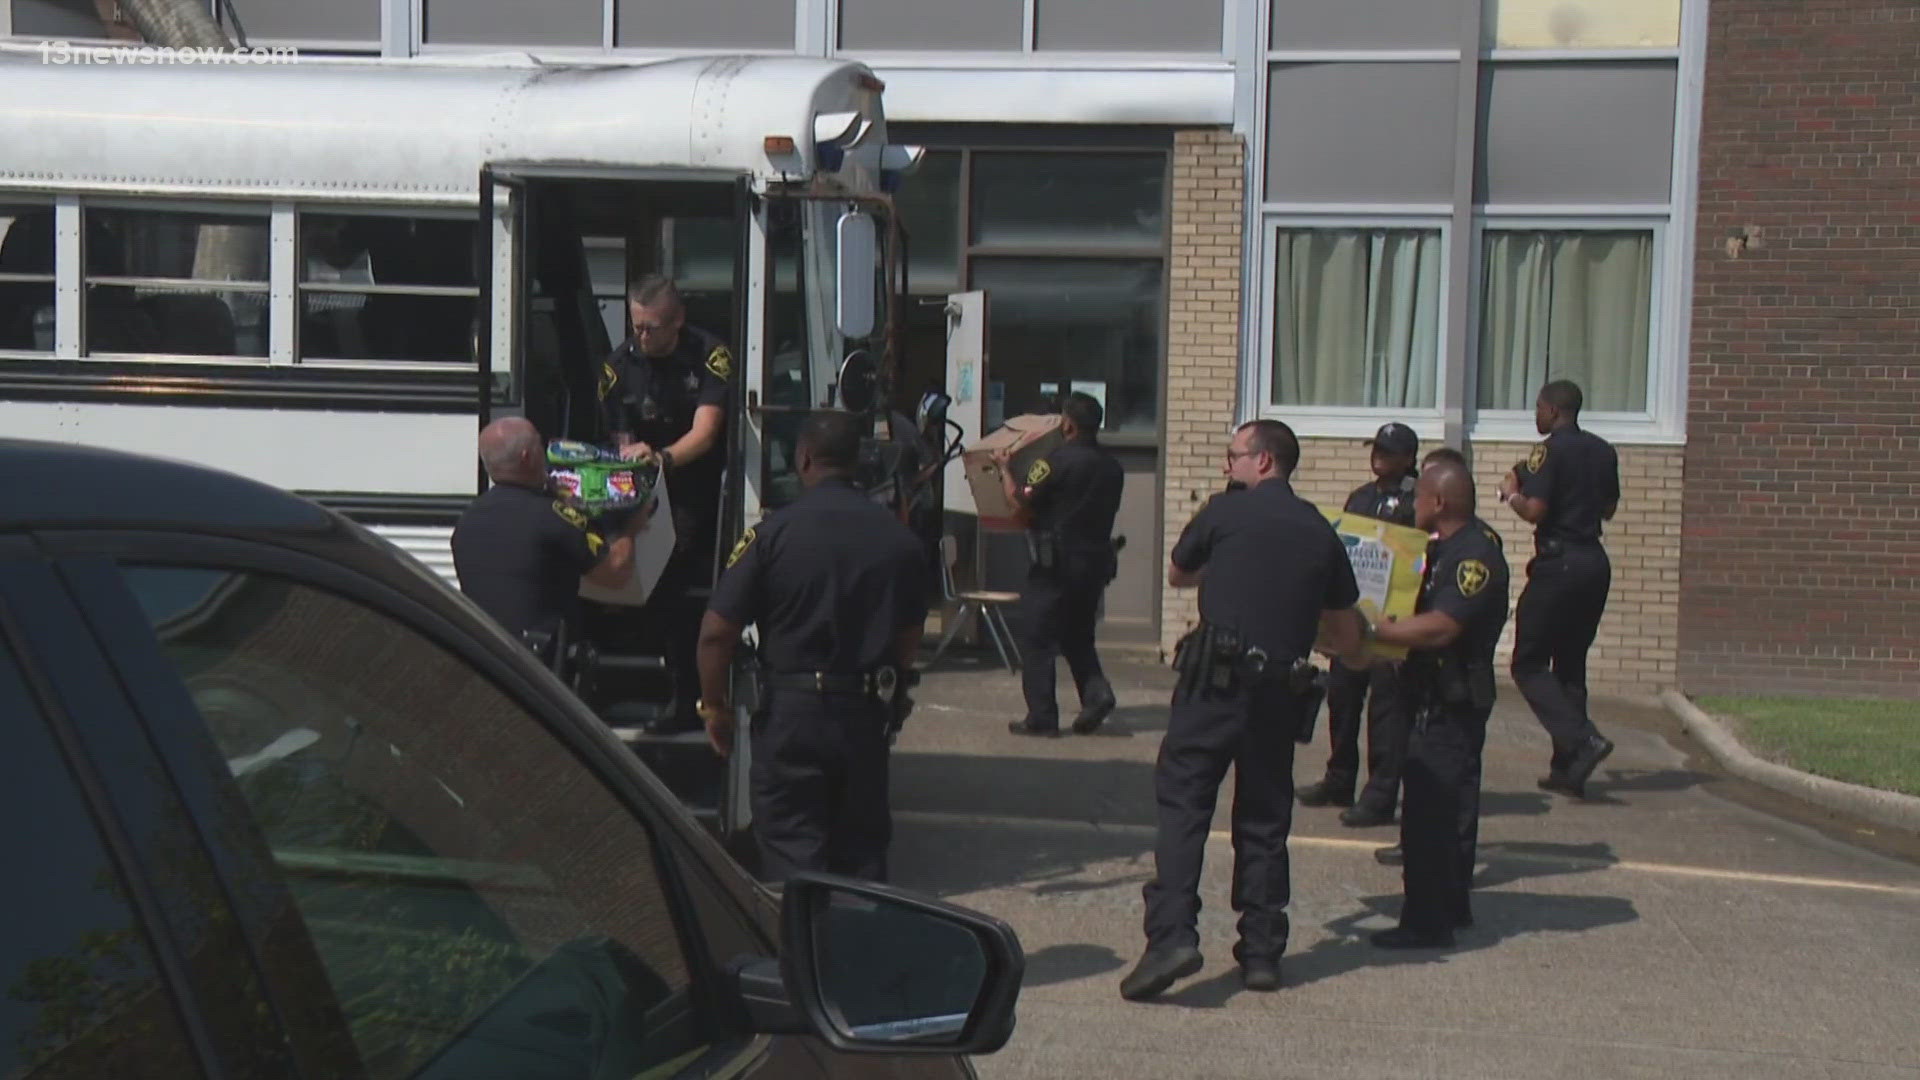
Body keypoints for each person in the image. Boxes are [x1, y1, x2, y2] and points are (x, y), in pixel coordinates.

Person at [1121, 420, 1369, 1001]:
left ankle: (1171, 939)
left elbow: (1180, 573)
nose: (1226, 466)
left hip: (1214, 684)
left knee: (1184, 806)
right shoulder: (1318, 529)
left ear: (1262, 461)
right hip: (1280, 689)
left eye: (1233, 456)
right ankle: (1261, 953)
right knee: (1263, 818)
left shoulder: (1224, 513)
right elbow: (1344, 631)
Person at [695, 411, 929, 884]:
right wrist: (896, 692)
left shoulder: (771, 535)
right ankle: (854, 947)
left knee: (791, 852)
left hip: (791, 715)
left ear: (804, 459)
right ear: (857, 462)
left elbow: (716, 634)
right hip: (865, 711)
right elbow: (909, 633)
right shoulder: (900, 540)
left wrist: (714, 708)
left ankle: (803, 953)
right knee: (861, 851)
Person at [1367, 458, 1510, 948]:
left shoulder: (1474, 557)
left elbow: (1444, 626)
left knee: (1433, 813)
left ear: (1440, 502)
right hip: (1427, 695)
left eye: (1420, 497)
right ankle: (1448, 908)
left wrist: (1376, 632)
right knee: (1436, 809)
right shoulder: (1438, 550)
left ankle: (1427, 923)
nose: (1413, 505)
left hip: (1450, 701)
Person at [599, 274, 733, 734]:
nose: (641, 336)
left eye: (651, 327)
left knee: (680, 587)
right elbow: (621, 439)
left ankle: (690, 695)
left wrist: (661, 458)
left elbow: (707, 432)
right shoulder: (618, 368)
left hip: (692, 484)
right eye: (635, 326)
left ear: (677, 321)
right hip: (639, 488)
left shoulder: (709, 356)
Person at [1498, 380, 1621, 799]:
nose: (1536, 415)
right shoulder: (1603, 450)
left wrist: (1512, 496)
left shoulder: (1549, 449)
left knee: (1528, 663)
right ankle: (1569, 768)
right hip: (1594, 563)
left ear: (1552, 410)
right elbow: (1608, 507)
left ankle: (1583, 739)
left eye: (1537, 408)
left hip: (1559, 563)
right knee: (1570, 664)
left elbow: (1534, 511)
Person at [1298, 422, 1420, 828]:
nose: (1378, 456)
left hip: (1392, 625)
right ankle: (1339, 779)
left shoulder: (1419, 500)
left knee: (1386, 712)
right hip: (1355, 618)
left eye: (1387, 451)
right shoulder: (1362, 497)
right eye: (1376, 449)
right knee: (1343, 700)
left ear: (1408, 458)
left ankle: (1380, 795)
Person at [994, 391, 1124, 737]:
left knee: (1037, 639)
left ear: (1067, 424)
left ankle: (1042, 716)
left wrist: (1005, 468)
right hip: (1095, 565)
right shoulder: (1113, 468)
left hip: (1056, 565)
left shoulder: (1053, 462)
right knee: (1078, 636)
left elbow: (1018, 500)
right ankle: (1096, 695)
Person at [452, 417, 647, 642]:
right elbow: (615, 573)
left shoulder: (467, 522)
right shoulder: (552, 516)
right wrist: (631, 526)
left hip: (490, 656)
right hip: (542, 663)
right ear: (528, 457)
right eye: (539, 445)